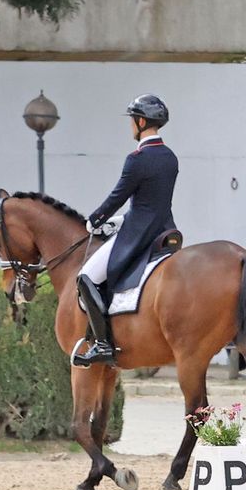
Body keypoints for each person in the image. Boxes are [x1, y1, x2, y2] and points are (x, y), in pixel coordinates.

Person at [74, 94, 180, 366]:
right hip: (163, 231)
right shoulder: (170, 157)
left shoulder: (137, 159)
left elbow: (118, 195)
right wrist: (122, 220)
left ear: (141, 122)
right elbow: (151, 202)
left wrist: (96, 219)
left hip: (139, 235)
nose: (131, 126)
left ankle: (101, 344)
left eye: (132, 121)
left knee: (86, 276)